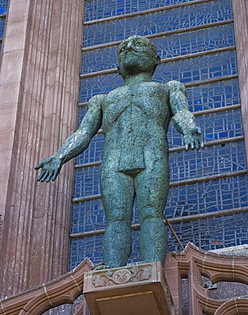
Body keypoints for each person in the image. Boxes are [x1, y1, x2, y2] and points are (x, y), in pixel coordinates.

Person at [35, 35, 203, 268]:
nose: (130, 48)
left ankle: (152, 269)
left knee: (152, 214)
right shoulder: (102, 100)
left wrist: (190, 129)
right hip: (114, 161)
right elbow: (83, 133)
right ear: (117, 66)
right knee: (116, 219)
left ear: (156, 59)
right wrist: (59, 156)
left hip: (150, 155)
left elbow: (182, 113)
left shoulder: (167, 89)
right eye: (123, 47)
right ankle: (114, 273)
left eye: (139, 45)